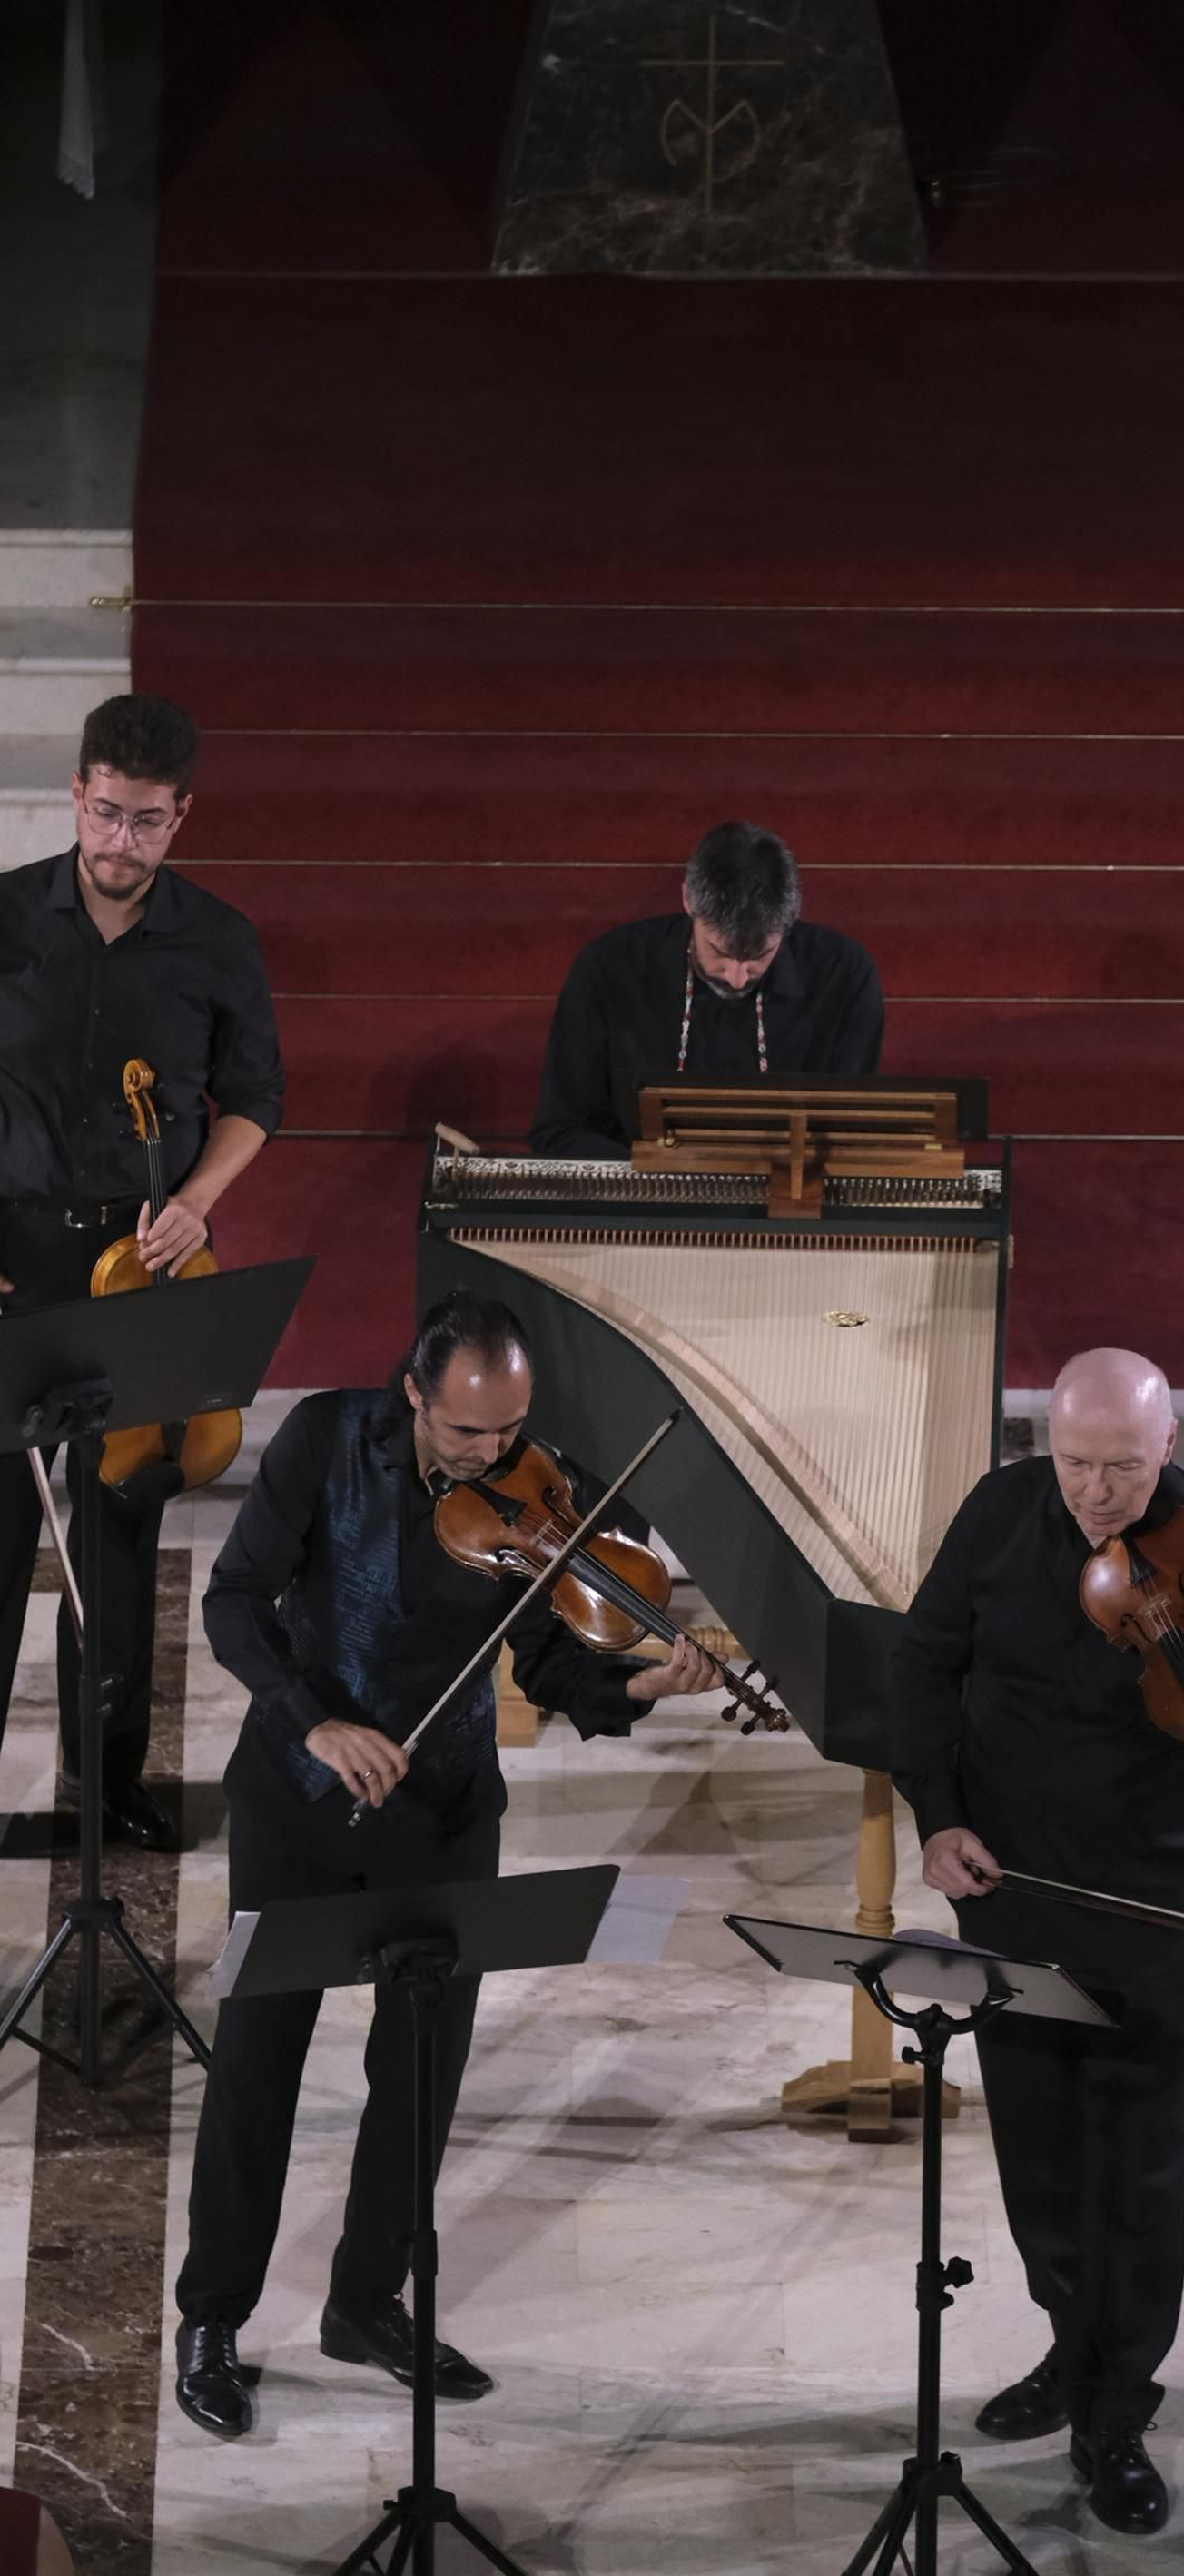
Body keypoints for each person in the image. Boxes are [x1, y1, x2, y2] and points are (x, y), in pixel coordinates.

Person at [174, 1288, 717, 2440]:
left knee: (418, 2077)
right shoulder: (325, 1439)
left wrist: (637, 1684)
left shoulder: (541, 1484)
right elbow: (234, 1603)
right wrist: (313, 1719)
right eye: (467, 1430)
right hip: (301, 1801)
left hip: (446, 1805)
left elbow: (552, 1663)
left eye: (509, 1430)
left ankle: (367, 2302)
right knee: (255, 2071)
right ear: (415, 1392)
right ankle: (212, 2316)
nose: (491, 1452)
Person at [890, 1349, 1184, 2536]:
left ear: (1168, 1448)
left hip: (1152, 1895)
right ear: (1042, 1442)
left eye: (1121, 1466)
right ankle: (1072, 2345)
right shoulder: (1000, 1514)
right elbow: (921, 1665)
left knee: (1140, 2171)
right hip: (1012, 1885)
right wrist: (937, 1814)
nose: (1096, 1492)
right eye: (1073, 1463)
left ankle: (1118, 2414)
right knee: (1039, 2157)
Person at [0, 695, 282, 1845]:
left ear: (183, 818)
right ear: (77, 795)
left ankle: (103, 1782)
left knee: (119, 1543)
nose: (122, 844)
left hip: (137, 1263)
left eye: (149, 823)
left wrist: (196, 1204)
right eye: (107, 815)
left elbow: (256, 1101)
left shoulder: (218, 940)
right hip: (12, 1258)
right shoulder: (7, 915)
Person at [528, 819, 883, 1157]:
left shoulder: (844, 974)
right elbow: (562, 1128)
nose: (736, 977)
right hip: (640, 1206)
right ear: (687, 900)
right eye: (719, 952)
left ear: (789, 924)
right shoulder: (609, 968)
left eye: (759, 956)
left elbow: (846, 1136)